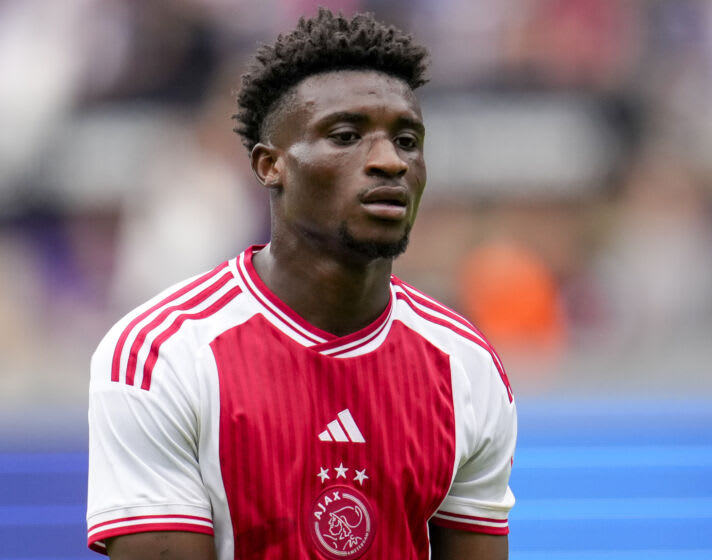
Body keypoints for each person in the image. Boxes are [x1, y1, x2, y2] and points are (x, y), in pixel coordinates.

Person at [86, 8, 517, 560]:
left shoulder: (467, 366)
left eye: (407, 140)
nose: (390, 162)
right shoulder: (160, 356)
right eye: (345, 135)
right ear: (271, 165)